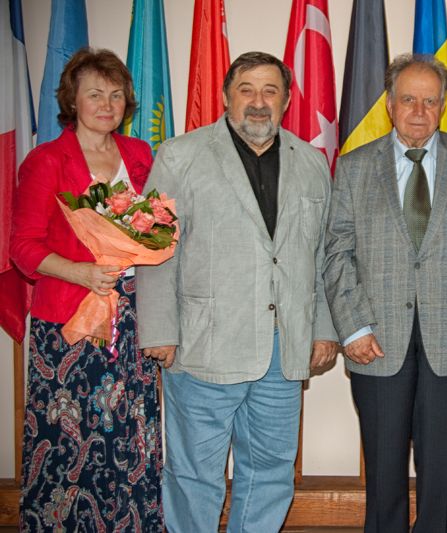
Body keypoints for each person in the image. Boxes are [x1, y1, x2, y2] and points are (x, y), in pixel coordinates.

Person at [135, 52, 338, 533]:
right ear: (227, 96)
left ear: (286, 101)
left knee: (271, 470)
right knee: (194, 473)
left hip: (283, 347)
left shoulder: (312, 162)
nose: (258, 101)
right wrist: (159, 330)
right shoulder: (180, 156)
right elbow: (154, 246)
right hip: (203, 344)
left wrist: (323, 328)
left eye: (270, 91)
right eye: (246, 89)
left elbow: (320, 255)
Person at [10, 48, 163, 531]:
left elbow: (156, 227)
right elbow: (22, 247)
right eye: (95, 94)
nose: (107, 104)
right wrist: (80, 272)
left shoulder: (140, 155)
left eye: (116, 95)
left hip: (133, 317)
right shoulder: (45, 160)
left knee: (128, 431)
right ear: (72, 100)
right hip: (69, 325)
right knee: (68, 439)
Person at [324, 53, 447, 533]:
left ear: (443, 105)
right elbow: (336, 252)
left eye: (430, 101)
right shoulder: (354, 167)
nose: (419, 111)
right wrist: (353, 328)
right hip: (375, 339)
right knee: (383, 464)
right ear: (389, 105)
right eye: (408, 99)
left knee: (440, 469)